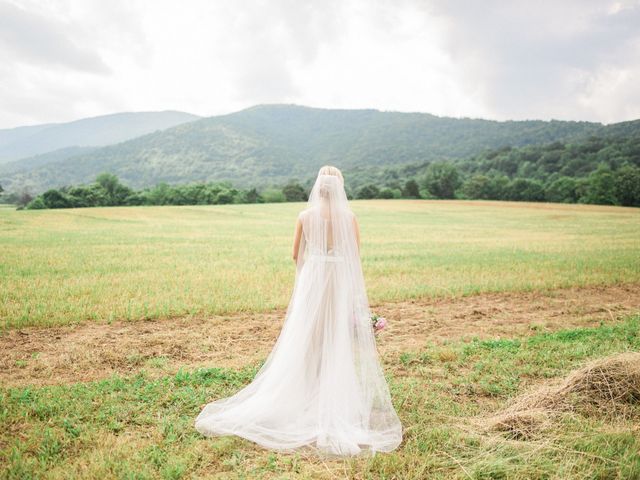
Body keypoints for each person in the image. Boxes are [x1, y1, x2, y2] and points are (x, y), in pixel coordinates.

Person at [195, 165, 403, 457]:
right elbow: (354, 257)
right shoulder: (349, 218)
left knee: (306, 338)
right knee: (334, 340)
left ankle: (303, 393)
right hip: (338, 283)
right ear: (340, 189)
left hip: (313, 281)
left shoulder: (305, 217)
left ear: (318, 189)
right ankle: (329, 397)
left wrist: (311, 277)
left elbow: (296, 256)